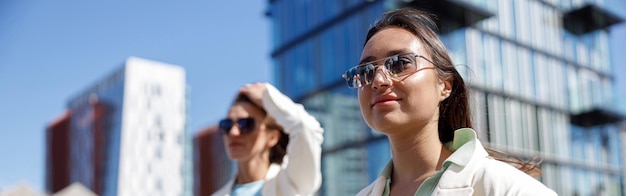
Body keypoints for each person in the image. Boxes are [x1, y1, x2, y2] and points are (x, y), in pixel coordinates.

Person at [340, 8, 557, 195]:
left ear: (445, 86)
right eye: (366, 71)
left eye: (399, 63)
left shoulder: (509, 189)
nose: (378, 80)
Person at [212, 83, 324, 196]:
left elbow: (305, 127)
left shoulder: (291, 182)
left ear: (272, 137)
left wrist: (268, 97)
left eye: (245, 124)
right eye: (227, 125)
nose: (233, 133)